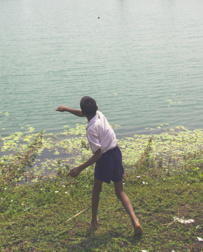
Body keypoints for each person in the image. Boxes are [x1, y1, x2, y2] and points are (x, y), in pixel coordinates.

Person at [56, 96, 143, 236]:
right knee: (120, 191)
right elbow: (82, 113)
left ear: (84, 112)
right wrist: (66, 109)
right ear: (96, 108)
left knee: (96, 189)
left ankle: (93, 222)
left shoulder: (91, 130)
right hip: (116, 152)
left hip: (105, 158)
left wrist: (79, 168)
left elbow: (98, 154)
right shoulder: (99, 114)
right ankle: (135, 221)